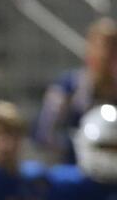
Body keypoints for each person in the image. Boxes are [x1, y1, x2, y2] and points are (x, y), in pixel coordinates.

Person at [34, 17, 117, 164]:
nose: (108, 55)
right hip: (76, 169)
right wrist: (83, 144)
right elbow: (44, 133)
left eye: (114, 49)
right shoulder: (67, 87)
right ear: (89, 50)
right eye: (104, 47)